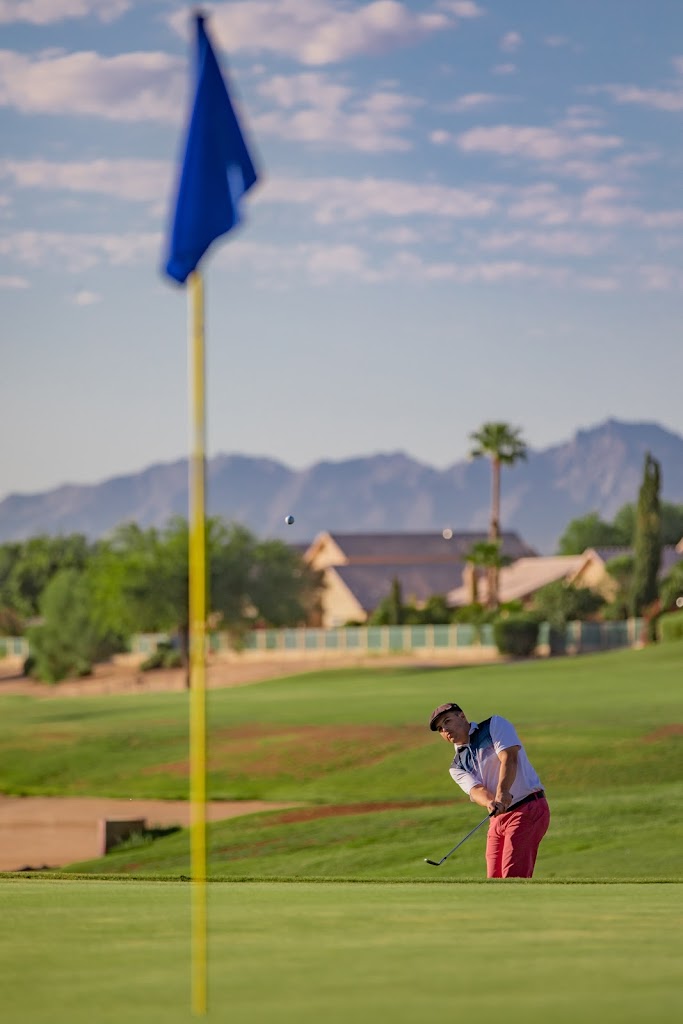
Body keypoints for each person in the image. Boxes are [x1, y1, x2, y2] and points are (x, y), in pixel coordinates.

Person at [428, 702, 549, 878]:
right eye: (440, 729)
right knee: (493, 879)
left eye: (447, 721)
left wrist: (503, 791)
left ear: (462, 716)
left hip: (527, 807)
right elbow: (476, 790)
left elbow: (509, 757)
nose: (445, 729)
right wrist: (490, 802)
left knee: (512, 877)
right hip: (497, 818)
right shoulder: (457, 766)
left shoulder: (494, 725)